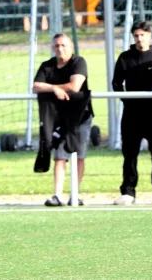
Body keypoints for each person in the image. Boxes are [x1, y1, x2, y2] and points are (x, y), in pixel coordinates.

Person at [112, 21, 152, 205]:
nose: (139, 38)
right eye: (136, 35)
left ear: (149, 36)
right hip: (131, 114)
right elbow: (116, 84)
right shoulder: (125, 58)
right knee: (129, 154)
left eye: (142, 35)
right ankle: (128, 192)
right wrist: (127, 99)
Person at [32, 34, 94, 206]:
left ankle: (75, 194)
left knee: (79, 154)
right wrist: (54, 89)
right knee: (59, 156)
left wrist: (51, 89)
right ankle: (57, 195)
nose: (60, 49)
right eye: (57, 46)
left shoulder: (78, 62)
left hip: (80, 116)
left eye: (64, 45)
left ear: (71, 46)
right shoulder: (47, 66)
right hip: (57, 117)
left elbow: (75, 86)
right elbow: (36, 86)